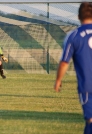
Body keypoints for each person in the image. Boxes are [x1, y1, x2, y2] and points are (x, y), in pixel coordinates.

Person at [54, 2, 92, 134]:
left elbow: (65, 62)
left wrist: (58, 80)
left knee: (91, 120)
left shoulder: (74, 36)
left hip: (88, 86)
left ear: (78, 16)